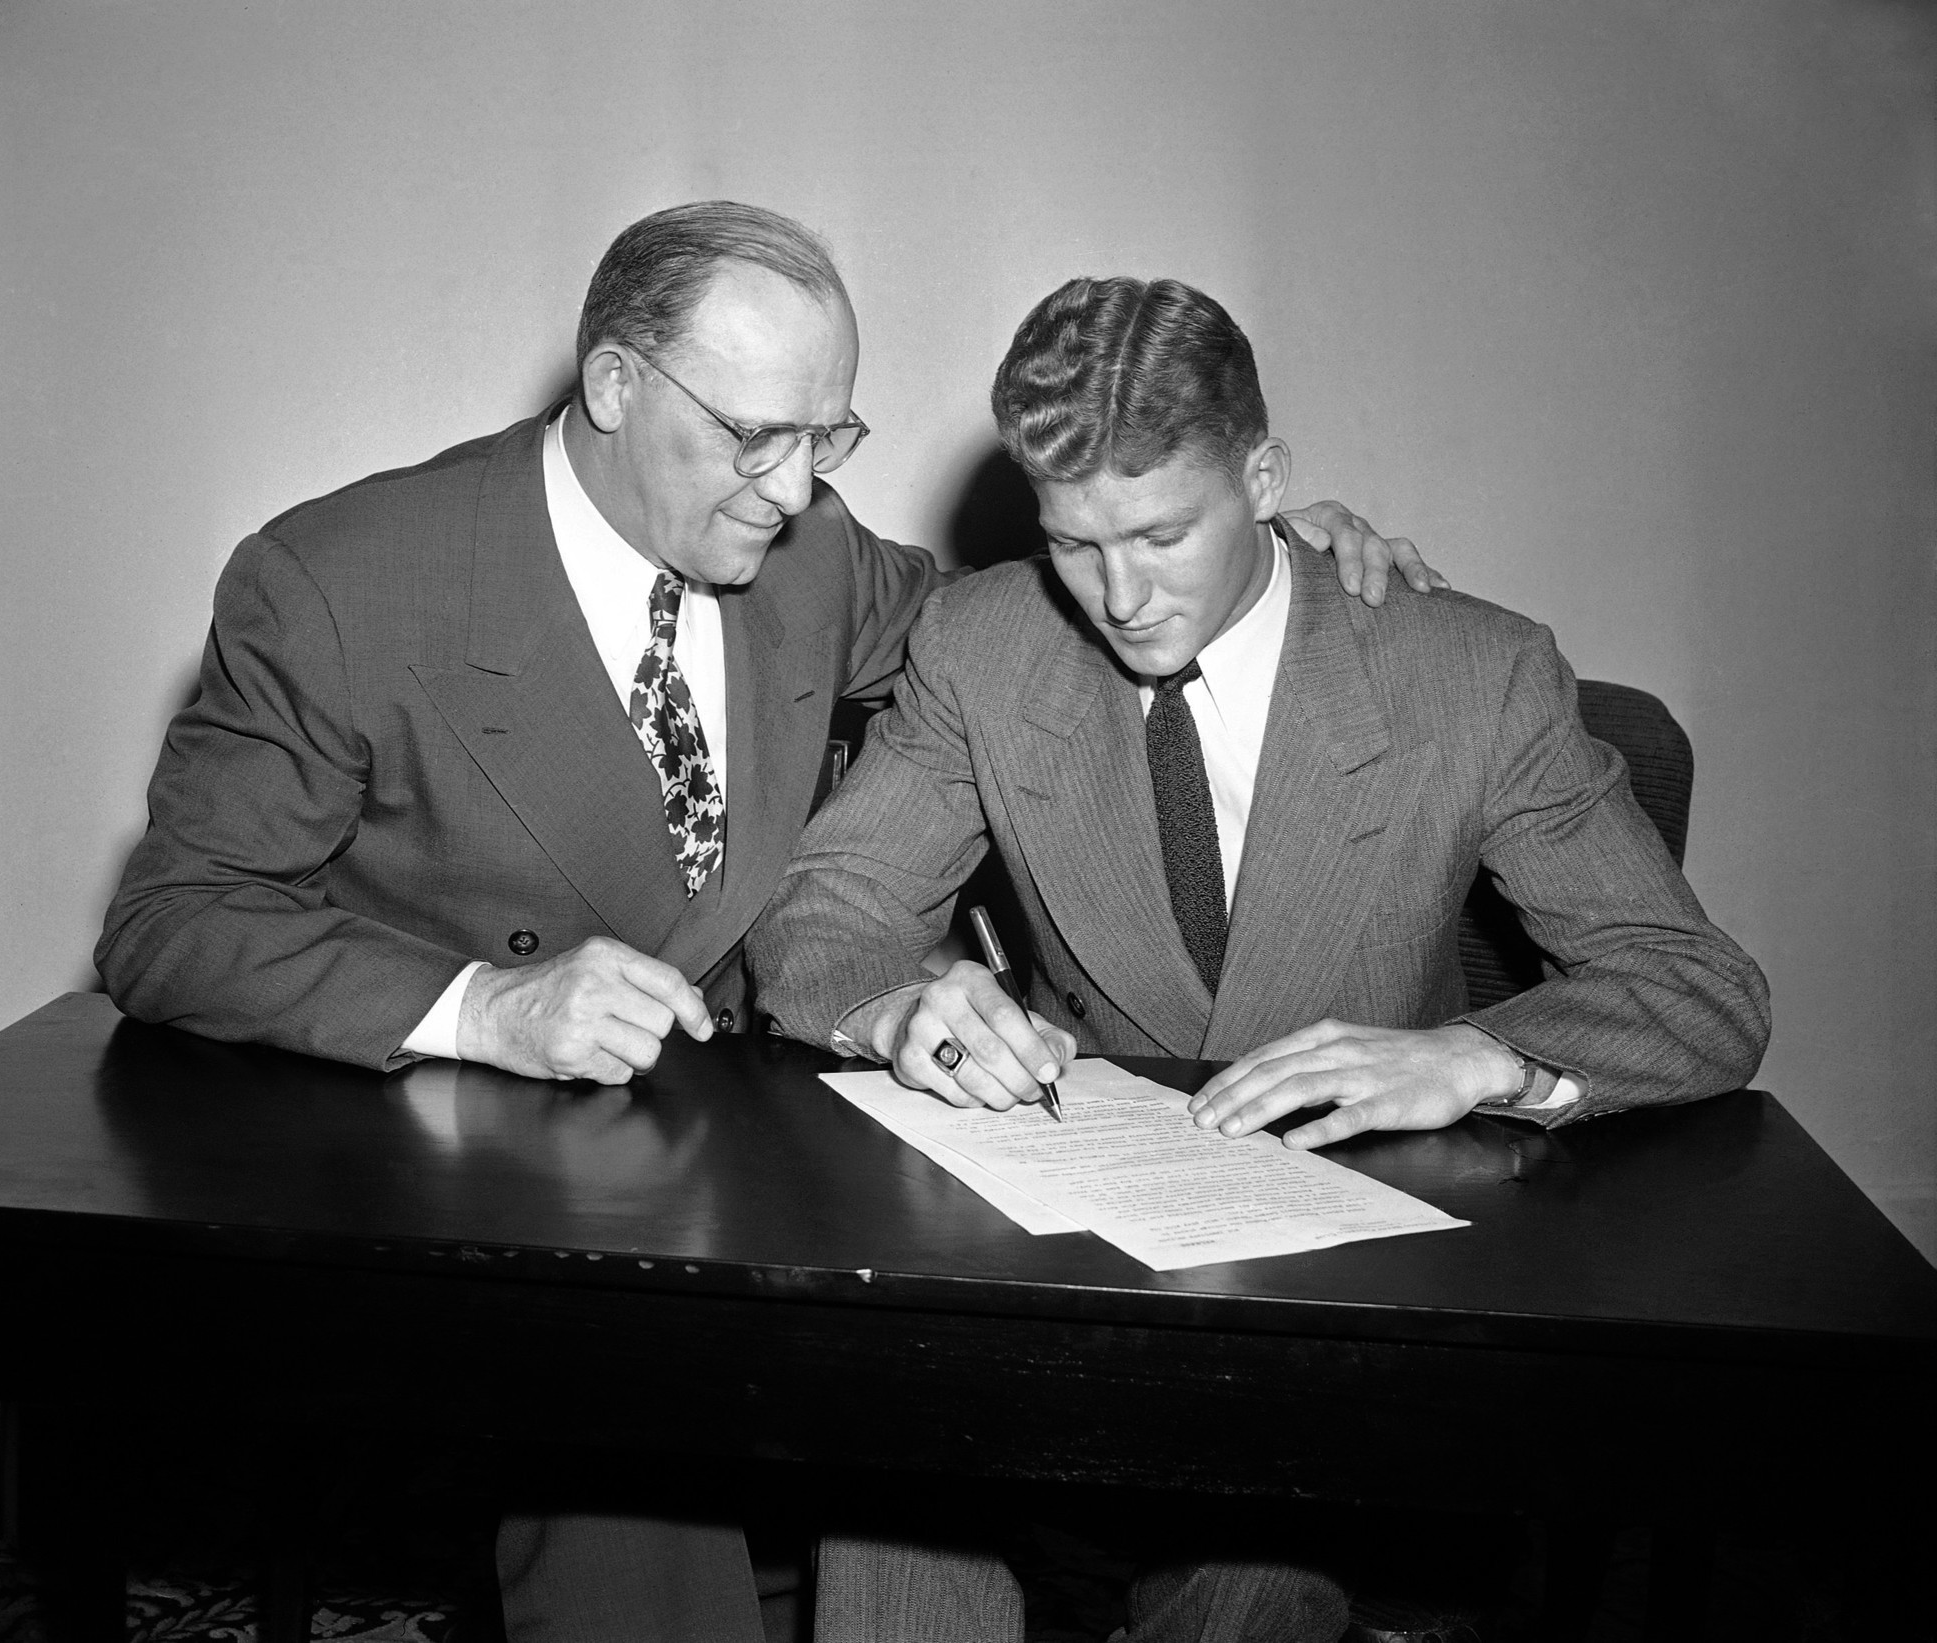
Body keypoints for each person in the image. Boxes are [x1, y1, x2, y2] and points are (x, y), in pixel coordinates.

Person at [94, 205, 1428, 1643]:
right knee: (622, 1441)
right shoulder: (341, 582)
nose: (793, 490)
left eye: (825, 438)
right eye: (753, 438)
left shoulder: (812, 550)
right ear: (615, 385)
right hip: (497, 1176)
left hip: (770, 1132)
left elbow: (1023, 625)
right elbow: (174, 918)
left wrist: (1259, 561)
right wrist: (484, 1005)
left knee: (947, 1411)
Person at [747, 274, 1770, 1640]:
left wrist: (1478, 1057)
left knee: (1261, 1577)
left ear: (1268, 482)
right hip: (1059, 1277)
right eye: (1073, 543)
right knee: (891, 1498)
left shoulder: (1472, 676)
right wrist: (894, 1009)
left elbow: (1698, 989)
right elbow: (826, 907)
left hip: (1341, 1318)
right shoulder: (984, 646)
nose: (1119, 596)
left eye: (1162, 535)